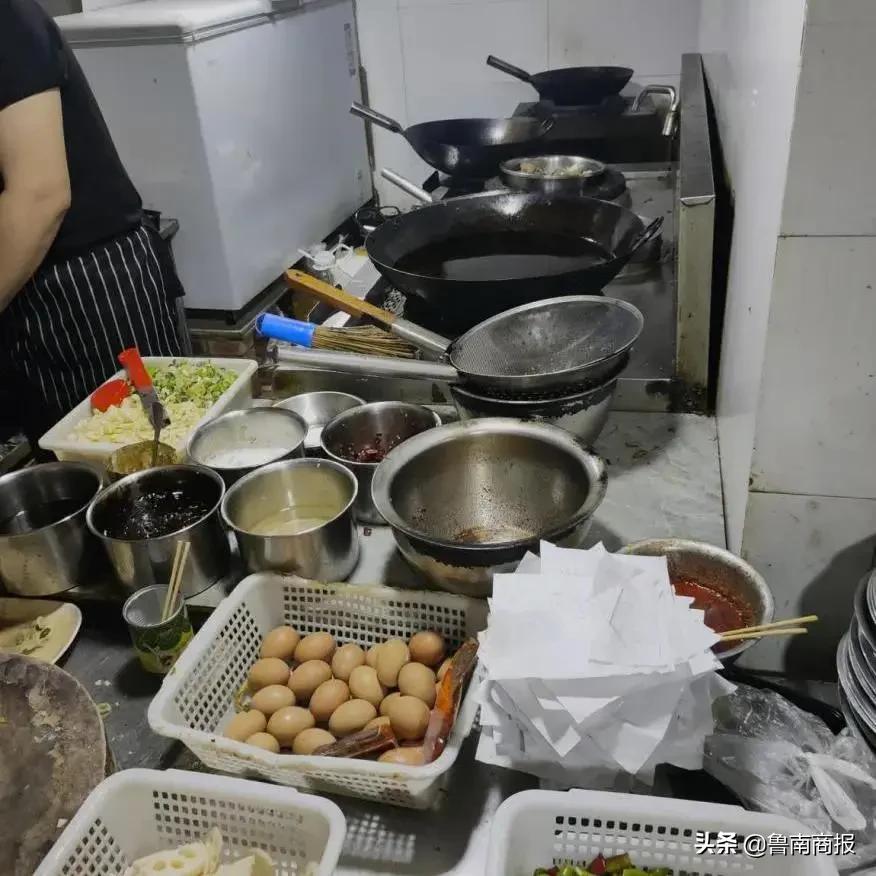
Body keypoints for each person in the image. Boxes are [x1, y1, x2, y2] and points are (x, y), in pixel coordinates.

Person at [0, 0, 183, 441]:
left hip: (84, 291)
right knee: (73, 468)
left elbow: (41, 194)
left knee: (147, 455)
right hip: (28, 288)